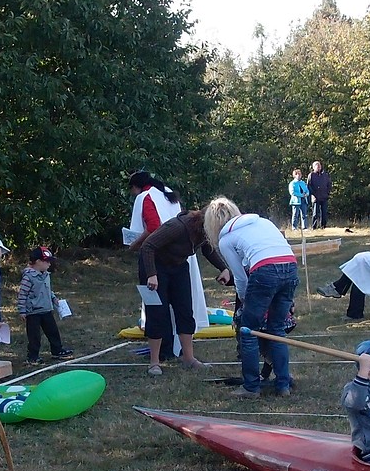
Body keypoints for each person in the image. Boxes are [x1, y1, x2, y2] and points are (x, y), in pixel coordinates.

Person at [203, 198, 298, 399]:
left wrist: (245, 301)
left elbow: (240, 277)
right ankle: (283, 384)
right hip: (290, 266)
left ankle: (251, 387)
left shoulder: (226, 239)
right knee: (277, 329)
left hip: (265, 271)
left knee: (248, 331)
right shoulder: (263, 222)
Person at [127, 171, 210, 356]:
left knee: (163, 308)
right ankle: (173, 350)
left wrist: (135, 244)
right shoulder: (167, 193)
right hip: (177, 256)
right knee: (174, 308)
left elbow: (153, 228)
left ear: (136, 186)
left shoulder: (145, 196)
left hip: (159, 257)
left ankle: (166, 350)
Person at [135, 210, 225, 375]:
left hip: (178, 267)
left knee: (185, 311)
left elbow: (208, 250)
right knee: (157, 312)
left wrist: (223, 268)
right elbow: (147, 246)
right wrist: (151, 274)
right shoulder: (177, 227)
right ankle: (154, 362)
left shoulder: (203, 232)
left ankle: (188, 358)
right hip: (154, 267)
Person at [16, 245, 74, 365]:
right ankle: (33, 356)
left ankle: (57, 350)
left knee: (53, 331)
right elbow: (22, 294)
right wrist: (22, 310)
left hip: (47, 309)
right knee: (34, 336)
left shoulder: (46, 275)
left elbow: (48, 290)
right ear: (38, 262)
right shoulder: (28, 277)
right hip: (33, 312)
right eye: (47, 262)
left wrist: (53, 298)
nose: (49, 264)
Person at [308, 161, 332, 229]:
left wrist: (327, 193)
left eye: (319, 166)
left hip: (324, 196)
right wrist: (313, 194)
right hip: (316, 197)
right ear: (313, 167)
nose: (318, 167)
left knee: (324, 213)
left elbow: (329, 184)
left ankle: (323, 226)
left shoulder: (325, 175)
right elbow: (309, 186)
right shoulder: (311, 175)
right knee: (315, 213)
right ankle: (314, 227)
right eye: (317, 166)